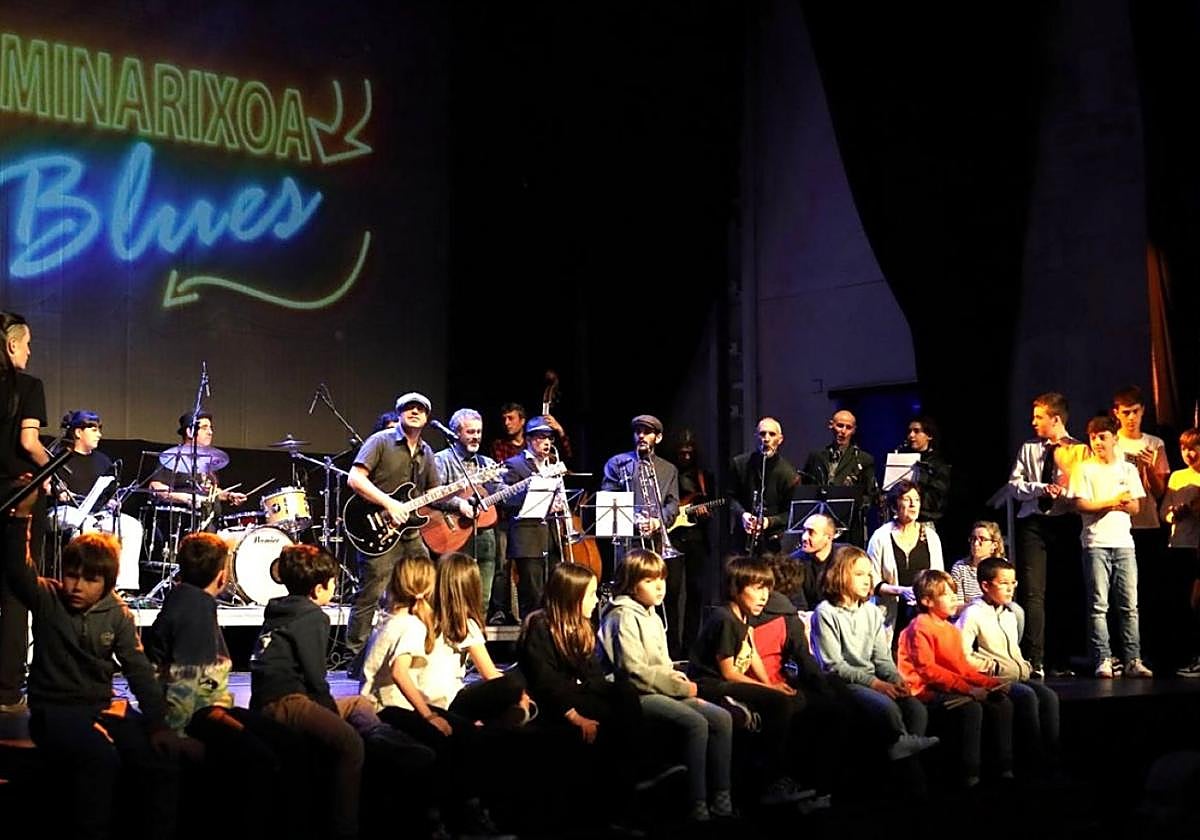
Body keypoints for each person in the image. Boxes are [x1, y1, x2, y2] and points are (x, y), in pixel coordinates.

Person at [2, 530, 178, 838]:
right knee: (100, 759)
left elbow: (139, 671)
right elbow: (17, 568)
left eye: (90, 579)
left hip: (98, 707)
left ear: (108, 583)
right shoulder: (48, 598)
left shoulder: (118, 614)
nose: (77, 586)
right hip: (53, 710)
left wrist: (158, 724)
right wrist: (21, 519)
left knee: (152, 758)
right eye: (72, 576)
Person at [250, 543, 431, 840]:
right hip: (288, 702)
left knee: (359, 703)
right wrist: (328, 711)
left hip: (275, 699)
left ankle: (387, 743)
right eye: (333, 583)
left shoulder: (280, 609)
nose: (335, 587)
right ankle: (345, 826)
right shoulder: (311, 616)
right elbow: (315, 675)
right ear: (319, 588)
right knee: (350, 744)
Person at [358, 553, 517, 837]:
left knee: (462, 733)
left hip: (398, 704)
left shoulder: (394, 619)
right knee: (458, 736)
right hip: (390, 709)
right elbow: (399, 672)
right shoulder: (410, 625)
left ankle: (459, 811)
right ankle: (452, 815)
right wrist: (429, 714)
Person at [597, 548, 734, 822]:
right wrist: (680, 689)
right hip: (634, 695)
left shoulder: (653, 616)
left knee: (722, 718)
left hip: (660, 688)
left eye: (661, 578)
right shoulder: (622, 616)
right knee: (696, 723)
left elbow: (662, 664)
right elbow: (633, 672)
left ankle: (722, 797)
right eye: (649, 580)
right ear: (631, 582)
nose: (660, 586)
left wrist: (676, 678)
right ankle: (696, 803)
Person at [517, 563, 645, 827]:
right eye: (591, 594)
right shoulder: (541, 625)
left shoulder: (580, 626)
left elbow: (593, 675)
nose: (596, 600)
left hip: (575, 691)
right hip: (552, 702)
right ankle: (618, 793)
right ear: (571, 595)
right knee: (606, 715)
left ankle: (634, 778)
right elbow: (546, 683)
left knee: (625, 693)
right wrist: (576, 718)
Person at [686, 556, 810, 806]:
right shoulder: (725, 619)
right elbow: (729, 672)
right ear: (735, 588)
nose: (764, 596)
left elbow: (751, 653)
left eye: (766, 588)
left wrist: (771, 684)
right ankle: (769, 781)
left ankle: (782, 772)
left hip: (727, 680)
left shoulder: (745, 617)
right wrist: (768, 690)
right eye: (756, 588)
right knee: (779, 703)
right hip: (711, 683)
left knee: (795, 700)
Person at [811, 546, 937, 762]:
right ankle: (900, 751)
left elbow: (882, 657)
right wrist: (876, 684)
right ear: (840, 575)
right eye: (859, 574)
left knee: (915, 708)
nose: (867, 580)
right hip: (844, 684)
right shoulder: (825, 613)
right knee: (886, 708)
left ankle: (908, 755)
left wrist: (896, 679)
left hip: (872, 680)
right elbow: (834, 666)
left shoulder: (871, 611)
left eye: (869, 574)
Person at [344, 392, 438, 664]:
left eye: (420, 409)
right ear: (399, 413)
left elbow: (434, 492)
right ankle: (355, 658)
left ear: (427, 417)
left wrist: (460, 500)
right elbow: (355, 478)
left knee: (426, 582)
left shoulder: (426, 452)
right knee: (371, 592)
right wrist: (390, 504)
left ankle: (419, 647)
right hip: (376, 528)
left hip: (409, 532)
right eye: (409, 408)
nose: (415, 412)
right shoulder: (380, 441)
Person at [897, 569, 1013, 787]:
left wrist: (989, 683)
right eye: (946, 594)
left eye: (954, 593)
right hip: (925, 691)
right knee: (971, 708)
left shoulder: (950, 629)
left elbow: (962, 668)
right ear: (926, 600)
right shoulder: (920, 626)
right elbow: (928, 671)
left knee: (1001, 702)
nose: (953, 599)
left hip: (949, 686)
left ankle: (1004, 768)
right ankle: (970, 774)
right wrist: (968, 690)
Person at [1007, 391, 1085, 678]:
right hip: (1034, 522)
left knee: (1063, 589)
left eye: (1039, 417)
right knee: (1033, 590)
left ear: (1056, 419)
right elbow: (1014, 485)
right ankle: (1035, 657)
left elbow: (1082, 487)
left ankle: (1061, 658)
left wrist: (1066, 491)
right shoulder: (1028, 448)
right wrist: (1040, 488)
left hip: (1064, 522)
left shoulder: (1079, 450)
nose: (1033, 422)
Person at [957, 557, 1060, 770]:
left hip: (1017, 676)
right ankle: (1029, 762)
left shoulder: (1009, 614)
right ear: (986, 585)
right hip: (994, 680)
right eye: (1004, 583)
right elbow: (961, 654)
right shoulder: (973, 614)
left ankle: (1051, 758)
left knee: (1048, 697)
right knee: (1027, 696)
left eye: (1012, 583)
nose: (1010, 588)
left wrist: (1024, 665)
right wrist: (991, 667)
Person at [1069, 413, 1152, 678]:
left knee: (1129, 606)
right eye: (1093, 437)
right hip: (1095, 544)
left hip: (1124, 544)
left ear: (1114, 439)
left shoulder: (1127, 469)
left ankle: (1132, 659)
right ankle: (1103, 658)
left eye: (1102, 437)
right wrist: (1113, 502)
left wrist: (1120, 504)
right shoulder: (1084, 469)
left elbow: (1137, 506)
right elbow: (1081, 504)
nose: (1097, 442)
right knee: (1098, 606)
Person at [0, 310, 48, 716]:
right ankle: (8, 692)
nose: (30, 352)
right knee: (15, 592)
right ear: (12, 344)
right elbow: (29, 441)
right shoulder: (28, 386)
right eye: (27, 344)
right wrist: (50, 473)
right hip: (17, 498)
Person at [600, 415, 681, 643]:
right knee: (626, 588)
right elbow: (608, 497)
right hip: (627, 538)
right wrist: (634, 518)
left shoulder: (669, 469)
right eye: (638, 431)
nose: (642, 436)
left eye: (647, 432)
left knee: (652, 588)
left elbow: (673, 504)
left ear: (659, 437)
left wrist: (658, 521)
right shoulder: (618, 463)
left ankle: (652, 639)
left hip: (654, 540)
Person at [1112, 386, 1171, 670]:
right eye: (1126, 413)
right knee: (1120, 592)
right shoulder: (1113, 442)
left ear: (1143, 411)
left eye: (1135, 412)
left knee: (1148, 591)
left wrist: (1148, 468)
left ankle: (1147, 652)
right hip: (1119, 526)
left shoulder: (1155, 443)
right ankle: (1120, 653)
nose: (1131, 418)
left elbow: (1160, 493)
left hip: (1148, 525)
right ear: (1117, 414)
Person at [431, 408, 505, 611]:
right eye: (470, 432)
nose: (476, 437)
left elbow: (503, 494)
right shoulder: (441, 460)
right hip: (452, 533)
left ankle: (477, 632)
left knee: (482, 598)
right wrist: (459, 505)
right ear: (456, 433)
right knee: (452, 597)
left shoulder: (487, 464)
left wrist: (525, 486)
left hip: (484, 534)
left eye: (479, 432)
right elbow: (431, 495)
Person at [499, 415, 569, 621]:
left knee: (554, 591)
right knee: (533, 594)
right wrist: (537, 495)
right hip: (527, 538)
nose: (546, 442)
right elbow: (506, 501)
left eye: (549, 438)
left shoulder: (553, 465)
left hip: (552, 535)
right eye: (541, 437)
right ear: (529, 439)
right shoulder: (514, 465)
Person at [867, 480, 945, 645]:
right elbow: (872, 582)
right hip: (891, 616)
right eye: (907, 499)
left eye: (916, 500)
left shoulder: (931, 537)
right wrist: (901, 591)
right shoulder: (880, 537)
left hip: (923, 614)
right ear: (895, 505)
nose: (913, 504)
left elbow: (938, 578)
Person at [149, 410, 248, 531]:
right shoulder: (173, 458)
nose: (210, 432)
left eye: (211, 428)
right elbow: (155, 487)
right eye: (204, 428)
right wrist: (186, 498)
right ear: (189, 432)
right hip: (182, 525)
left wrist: (229, 496)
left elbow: (211, 491)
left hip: (210, 524)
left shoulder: (207, 461)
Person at [666, 427, 717, 656]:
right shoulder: (668, 473)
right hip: (673, 537)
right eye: (682, 451)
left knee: (696, 592)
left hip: (696, 538)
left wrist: (705, 513)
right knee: (671, 592)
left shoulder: (703, 476)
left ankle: (690, 646)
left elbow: (711, 504)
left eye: (690, 451)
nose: (686, 455)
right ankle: (671, 645)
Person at [802, 409, 880, 547]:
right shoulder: (816, 457)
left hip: (850, 526)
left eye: (848, 427)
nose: (843, 431)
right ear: (831, 425)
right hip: (821, 524)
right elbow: (806, 489)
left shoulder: (863, 459)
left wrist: (854, 502)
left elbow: (871, 494)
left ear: (854, 430)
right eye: (840, 426)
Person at [1161, 427, 1200, 676]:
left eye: (1194, 448)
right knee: (1181, 605)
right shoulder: (1177, 476)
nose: (1189, 453)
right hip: (1178, 546)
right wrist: (1175, 513)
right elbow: (1165, 512)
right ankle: (1186, 655)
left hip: (1198, 547)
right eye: (1184, 449)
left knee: (1197, 603)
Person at [729, 417, 799, 556]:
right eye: (762, 434)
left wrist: (768, 522)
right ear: (756, 437)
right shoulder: (740, 464)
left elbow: (791, 513)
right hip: (743, 539)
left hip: (772, 544)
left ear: (780, 439)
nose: (766, 439)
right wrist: (743, 514)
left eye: (772, 434)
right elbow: (729, 497)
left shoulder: (788, 473)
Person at [789, 512, 845, 612]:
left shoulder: (845, 557)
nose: (804, 537)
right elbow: (798, 604)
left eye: (811, 532)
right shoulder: (794, 562)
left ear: (828, 537)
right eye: (804, 531)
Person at [903, 415, 951, 527]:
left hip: (925, 521)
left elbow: (936, 499)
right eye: (909, 431)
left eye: (916, 431)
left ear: (929, 435)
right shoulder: (903, 458)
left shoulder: (939, 465)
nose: (911, 435)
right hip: (901, 520)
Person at [949, 520, 1009, 607]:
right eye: (973, 539)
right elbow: (957, 605)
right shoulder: (960, 567)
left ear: (994, 545)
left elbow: (1005, 598)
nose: (976, 544)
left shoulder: (1002, 567)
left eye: (982, 539)